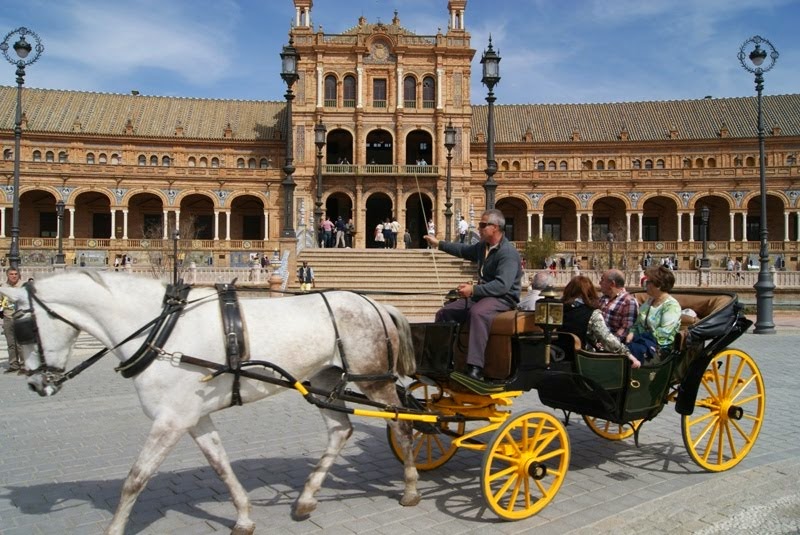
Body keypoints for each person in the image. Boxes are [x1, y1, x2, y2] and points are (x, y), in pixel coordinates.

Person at [424, 209, 523, 381]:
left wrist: (473, 290)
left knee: (478, 313)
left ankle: (475, 367)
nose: (479, 228)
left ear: (496, 227)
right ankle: (441, 361)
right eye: (480, 224)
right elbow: (462, 250)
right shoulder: (482, 247)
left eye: (483, 225)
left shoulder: (507, 253)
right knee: (445, 312)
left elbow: (502, 286)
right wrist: (438, 244)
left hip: (503, 298)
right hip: (483, 296)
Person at [559, 276, 640, 368]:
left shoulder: (557, 308)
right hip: (582, 359)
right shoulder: (592, 314)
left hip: (559, 353)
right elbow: (607, 338)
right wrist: (629, 355)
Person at [626, 265, 682, 364]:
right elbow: (637, 323)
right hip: (641, 343)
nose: (645, 284)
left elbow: (663, 334)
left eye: (648, 282)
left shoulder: (672, 306)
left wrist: (637, 339)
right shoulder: (650, 301)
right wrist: (631, 334)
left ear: (658, 285)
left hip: (659, 349)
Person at [599, 269, 639, 343]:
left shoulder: (628, 301)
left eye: (602, 280)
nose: (599, 283)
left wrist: (607, 343)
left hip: (612, 346)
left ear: (612, 284)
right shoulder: (603, 298)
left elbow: (626, 329)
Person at [1, 267, 24, 374]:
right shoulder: (3, 288)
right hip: (8, 317)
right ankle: (14, 364)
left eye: (15, 274)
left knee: (21, 344)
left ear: (18, 275)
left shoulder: (23, 287)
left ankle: (24, 365)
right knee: (11, 343)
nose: (14, 276)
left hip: (21, 318)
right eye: (11, 274)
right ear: (7, 275)